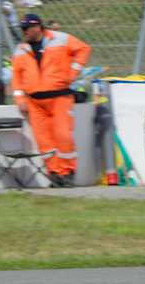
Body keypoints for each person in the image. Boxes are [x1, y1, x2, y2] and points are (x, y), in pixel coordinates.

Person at [9, 12, 90, 186]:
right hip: (34, 102)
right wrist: (20, 100)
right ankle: (54, 173)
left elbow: (83, 49)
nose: (25, 32)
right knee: (44, 141)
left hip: (60, 97)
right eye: (23, 29)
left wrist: (72, 72)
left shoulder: (60, 39)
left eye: (27, 29)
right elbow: (16, 78)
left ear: (37, 27)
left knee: (63, 136)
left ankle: (68, 172)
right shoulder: (20, 49)